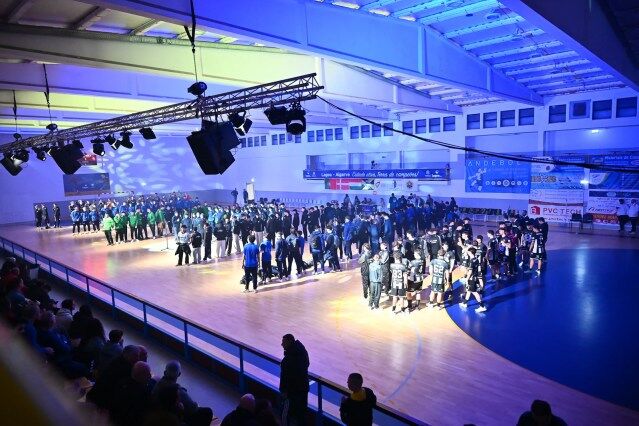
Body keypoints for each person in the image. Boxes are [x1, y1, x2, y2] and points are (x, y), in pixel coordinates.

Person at [153, 361, 213, 426]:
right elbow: (193, 408)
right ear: (179, 374)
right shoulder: (178, 390)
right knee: (208, 411)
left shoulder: (158, 384)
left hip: (159, 414)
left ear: (165, 372)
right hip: (172, 418)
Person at [280, 334, 309, 426]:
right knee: (301, 414)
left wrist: (284, 390)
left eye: (283, 342)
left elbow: (286, 377)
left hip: (291, 392)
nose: (282, 344)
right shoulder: (302, 352)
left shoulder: (289, 358)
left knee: (286, 414)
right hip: (303, 389)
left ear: (289, 342)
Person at [460, 247, 487, 313]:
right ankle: (464, 303)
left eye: (468, 252)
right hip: (475, 277)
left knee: (474, 292)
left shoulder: (472, 261)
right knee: (469, 291)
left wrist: (466, 279)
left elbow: (470, 272)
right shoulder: (476, 259)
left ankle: (482, 306)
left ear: (470, 252)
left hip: (472, 279)